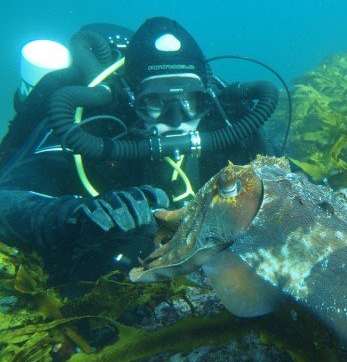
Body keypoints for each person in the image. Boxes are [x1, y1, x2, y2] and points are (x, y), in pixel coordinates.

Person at [0, 17, 279, 283]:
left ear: (207, 97)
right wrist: (77, 215)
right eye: (155, 102)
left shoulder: (226, 118)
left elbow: (285, 184)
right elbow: (8, 200)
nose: (176, 119)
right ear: (132, 99)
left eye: (191, 101)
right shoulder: (92, 124)